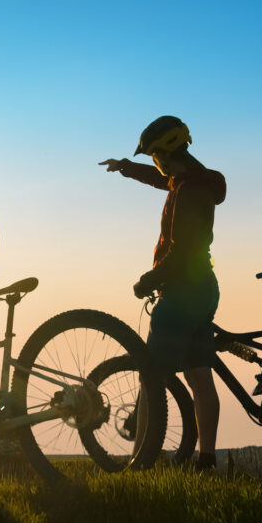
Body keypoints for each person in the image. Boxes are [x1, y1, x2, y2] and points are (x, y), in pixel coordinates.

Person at [100, 116, 226, 471]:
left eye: (155, 155)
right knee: (199, 374)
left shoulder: (186, 193)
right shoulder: (195, 182)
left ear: (165, 152)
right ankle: (207, 458)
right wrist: (127, 168)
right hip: (205, 288)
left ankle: (140, 461)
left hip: (181, 293)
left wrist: (148, 281)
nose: (156, 162)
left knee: (151, 376)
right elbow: (162, 181)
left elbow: (180, 253)